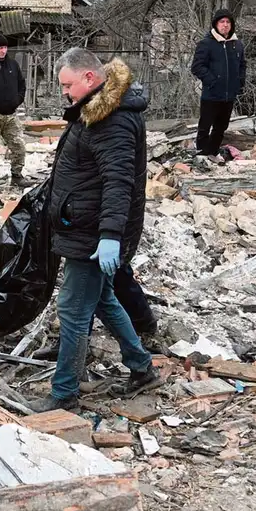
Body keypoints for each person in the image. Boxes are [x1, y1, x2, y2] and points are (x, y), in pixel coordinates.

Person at [30, 48, 159, 413]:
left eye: (68, 85)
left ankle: (64, 393)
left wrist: (110, 237)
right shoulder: (95, 108)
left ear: (89, 78)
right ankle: (142, 367)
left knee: (72, 310)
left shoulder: (111, 119)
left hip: (92, 230)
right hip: (86, 223)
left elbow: (119, 183)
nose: (65, 93)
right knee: (102, 299)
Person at [190, 9, 247, 161]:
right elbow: (197, 66)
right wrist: (212, 81)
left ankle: (212, 153)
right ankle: (201, 155)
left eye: (228, 22)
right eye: (222, 22)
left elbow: (242, 65)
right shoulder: (206, 44)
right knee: (205, 126)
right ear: (216, 24)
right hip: (211, 94)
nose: (225, 25)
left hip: (229, 95)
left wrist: (239, 82)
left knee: (221, 127)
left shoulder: (237, 45)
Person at [0, 33, 33, 194]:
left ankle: (17, 175)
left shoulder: (13, 64)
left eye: (5, 47)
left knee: (19, 146)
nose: (4, 50)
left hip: (11, 114)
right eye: (0, 48)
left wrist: (17, 100)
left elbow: (21, 85)